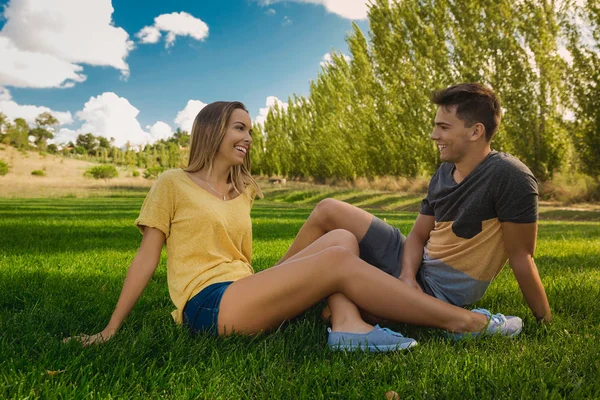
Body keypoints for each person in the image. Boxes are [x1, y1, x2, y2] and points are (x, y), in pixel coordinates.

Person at [65, 100, 522, 353]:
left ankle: (347, 325)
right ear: (212, 131)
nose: (247, 138)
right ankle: (465, 322)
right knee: (339, 259)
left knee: (341, 237)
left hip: (245, 291)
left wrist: (285, 278)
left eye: (249, 132)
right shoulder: (172, 183)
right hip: (208, 307)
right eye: (238, 128)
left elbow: (241, 262)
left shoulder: (242, 190)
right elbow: (147, 257)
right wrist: (110, 329)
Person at [276, 83, 552, 328]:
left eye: (443, 127)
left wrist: (544, 320)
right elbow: (418, 236)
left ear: (475, 131)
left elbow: (522, 257)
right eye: (435, 126)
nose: (434, 135)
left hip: (437, 289)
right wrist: (407, 276)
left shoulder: (511, 176)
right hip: (414, 266)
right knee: (328, 209)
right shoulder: (444, 173)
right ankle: (267, 284)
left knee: (334, 302)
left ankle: (353, 305)